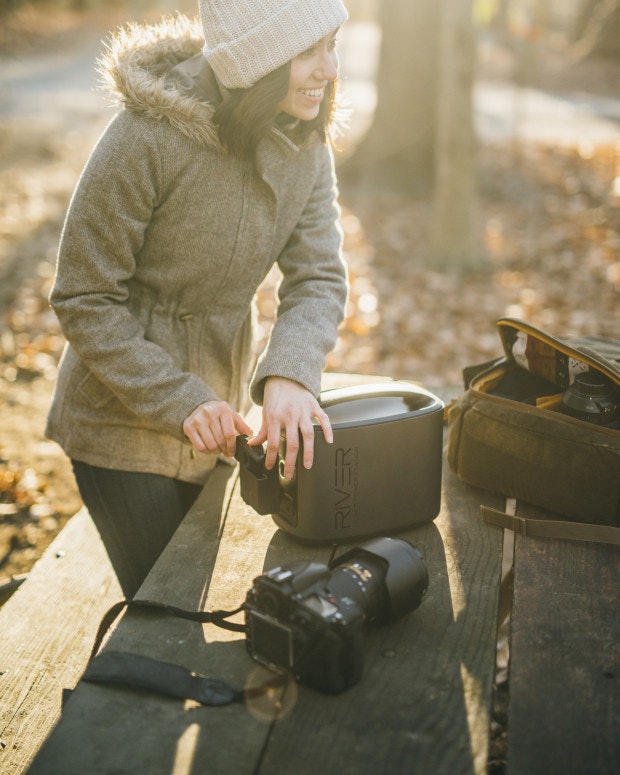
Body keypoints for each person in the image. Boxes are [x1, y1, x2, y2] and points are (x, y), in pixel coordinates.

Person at [45, 0, 349, 597]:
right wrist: (178, 398)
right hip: (119, 416)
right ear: (257, 60)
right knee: (170, 607)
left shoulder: (306, 145)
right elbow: (83, 296)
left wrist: (289, 374)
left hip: (224, 415)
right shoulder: (144, 137)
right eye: (308, 52)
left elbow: (319, 277)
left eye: (332, 45)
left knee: (209, 594)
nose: (330, 68)